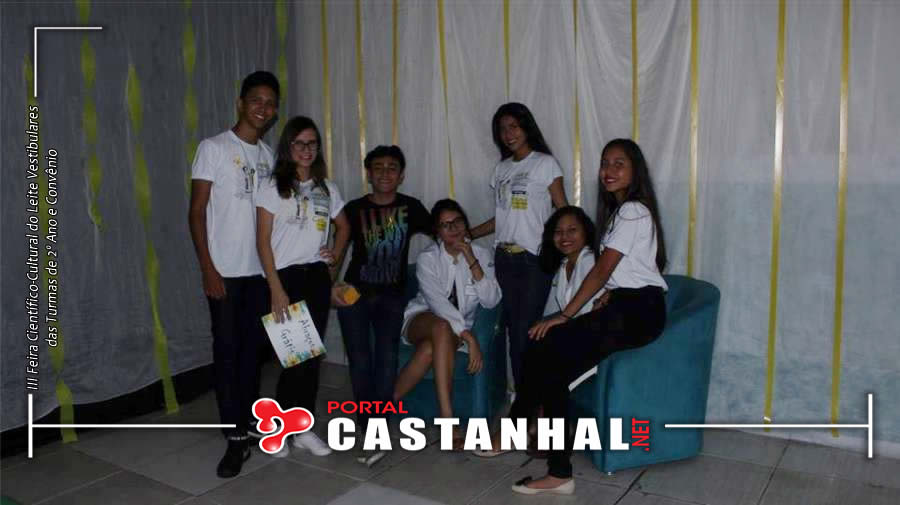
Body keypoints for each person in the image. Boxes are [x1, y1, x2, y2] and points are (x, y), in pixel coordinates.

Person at [476, 139, 668, 497]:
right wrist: (612, 292)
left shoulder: (632, 211)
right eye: (605, 163)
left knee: (546, 343)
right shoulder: (622, 213)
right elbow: (629, 270)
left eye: (619, 164)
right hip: (628, 305)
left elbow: (602, 269)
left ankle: (518, 431)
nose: (608, 170)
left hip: (639, 311)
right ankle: (558, 471)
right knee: (549, 363)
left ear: (635, 171)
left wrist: (566, 314)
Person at [188, 70, 279, 478]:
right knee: (227, 353)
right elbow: (196, 212)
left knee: (253, 354)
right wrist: (208, 268)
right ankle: (234, 437)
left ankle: (248, 421)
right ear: (241, 103)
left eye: (271, 103)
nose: (263, 108)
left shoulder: (270, 157)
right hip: (224, 271)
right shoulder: (213, 148)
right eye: (256, 100)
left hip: (260, 273)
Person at [255, 116, 350, 458]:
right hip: (286, 278)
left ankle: (303, 429)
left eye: (312, 143)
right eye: (299, 143)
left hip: (317, 278)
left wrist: (334, 257)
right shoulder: (272, 186)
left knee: (311, 359)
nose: (307, 150)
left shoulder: (327, 188)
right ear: (288, 147)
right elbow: (262, 241)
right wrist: (276, 288)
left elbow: (344, 227)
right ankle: (281, 429)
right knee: (295, 359)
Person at [332, 145, 431, 466]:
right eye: (378, 167)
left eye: (392, 168)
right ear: (369, 174)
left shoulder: (411, 207)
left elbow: (443, 231)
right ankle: (367, 424)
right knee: (359, 359)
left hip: (391, 296)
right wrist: (330, 285)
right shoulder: (354, 208)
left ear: (401, 175)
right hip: (353, 294)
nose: (385, 173)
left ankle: (378, 424)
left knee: (386, 358)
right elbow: (337, 251)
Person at [470, 102, 568, 392]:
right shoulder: (501, 169)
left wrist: (565, 250)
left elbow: (563, 211)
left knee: (525, 331)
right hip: (504, 258)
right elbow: (501, 217)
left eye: (513, 126)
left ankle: (527, 400)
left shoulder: (545, 164)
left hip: (533, 260)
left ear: (526, 127)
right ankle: (522, 398)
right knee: (513, 330)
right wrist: (469, 233)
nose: (508, 134)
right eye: (502, 129)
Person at [394, 199, 502, 449]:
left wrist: (471, 259)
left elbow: (491, 300)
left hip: (454, 329)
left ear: (466, 224)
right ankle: (447, 421)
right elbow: (438, 303)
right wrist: (469, 337)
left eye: (457, 222)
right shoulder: (428, 258)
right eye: (445, 225)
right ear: (437, 232)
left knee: (430, 348)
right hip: (422, 318)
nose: (453, 228)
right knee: (441, 327)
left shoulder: (482, 253)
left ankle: (385, 403)